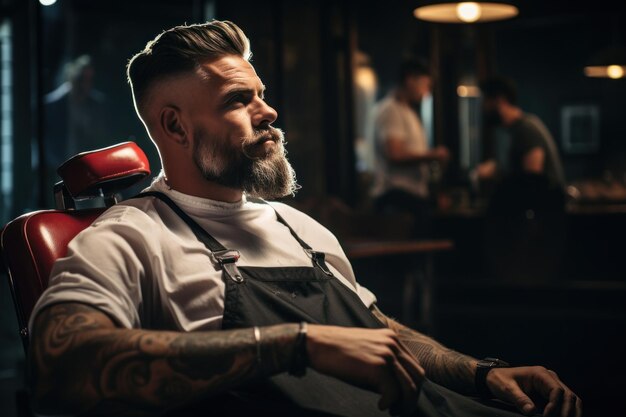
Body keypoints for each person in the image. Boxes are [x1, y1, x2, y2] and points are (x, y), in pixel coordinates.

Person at [27, 21, 581, 417]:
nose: (268, 111)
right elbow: (62, 361)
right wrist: (295, 343)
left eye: (262, 94)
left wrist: (483, 374)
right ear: (175, 128)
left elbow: (377, 332)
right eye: (237, 101)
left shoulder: (299, 227)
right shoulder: (132, 235)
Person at [370, 58, 449, 237]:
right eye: (424, 85)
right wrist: (432, 155)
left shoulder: (408, 111)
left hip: (411, 195)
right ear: (410, 80)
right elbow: (395, 154)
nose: (427, 91)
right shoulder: (391, 110)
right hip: (396, 196)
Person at [475, 76, 565, 188]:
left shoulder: (526, 129)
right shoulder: (509, 131)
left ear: (500, 100)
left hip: (547, 203)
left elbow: (533, 180)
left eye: (486, 101)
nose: (483, 108)